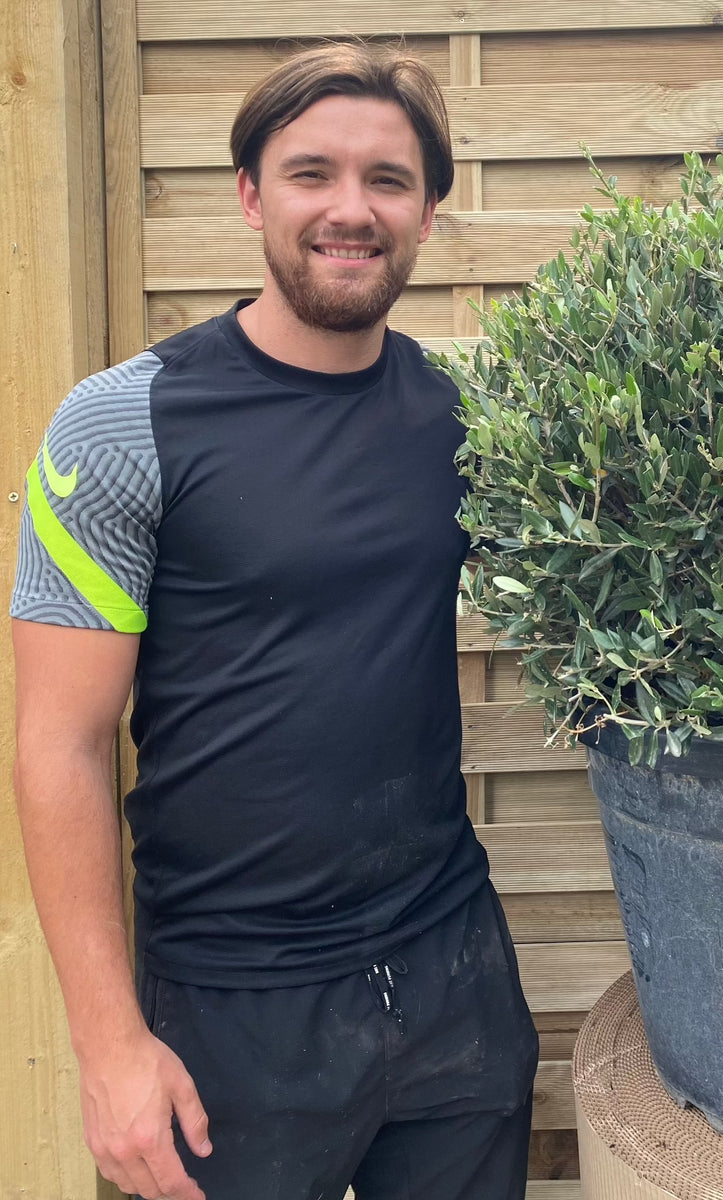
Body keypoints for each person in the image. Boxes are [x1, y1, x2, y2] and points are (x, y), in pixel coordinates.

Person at [10, 42, 538, 1200]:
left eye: (389, 181)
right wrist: (108, 1050)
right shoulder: (119, 428)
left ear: (430, 214)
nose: (352, 210)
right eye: (313, 174)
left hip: (453, 971)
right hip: (227, 1013)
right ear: (250, 194)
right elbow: (57, 745)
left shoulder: (466, 422)